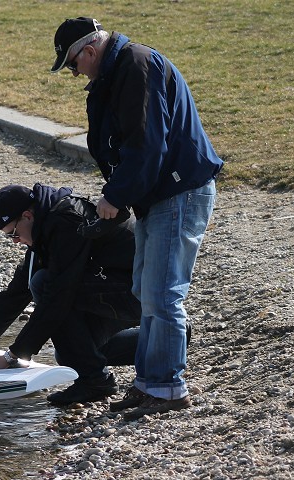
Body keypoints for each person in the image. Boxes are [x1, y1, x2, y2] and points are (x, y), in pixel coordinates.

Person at [50, 17, 223, 419]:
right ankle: (150, 382)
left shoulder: (135, 65)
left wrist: (115, 196)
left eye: (73, 65)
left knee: (163, 293)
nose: (75, 74)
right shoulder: (120, 68)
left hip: (178, 193)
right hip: (159, 195)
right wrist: (121, 192)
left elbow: (147, 144)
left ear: (89, 51)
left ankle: (166, 388)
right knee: (147, 291)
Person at [0, 183, 142, 405]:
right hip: (111, 287)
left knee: (45, 286)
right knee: (70, 355)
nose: (15, 241)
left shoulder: (65, 222)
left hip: (135, 292)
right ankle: (161, 340)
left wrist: (12, 356)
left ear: (27, 215)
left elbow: (58, 297)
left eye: (13, 233)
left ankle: (95, 382)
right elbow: (15, 294)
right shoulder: (45, 225)